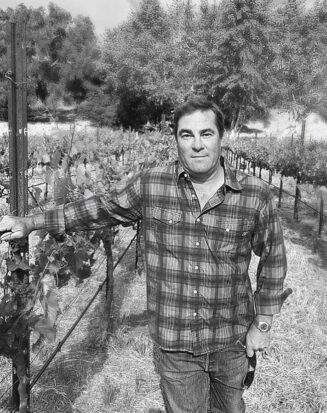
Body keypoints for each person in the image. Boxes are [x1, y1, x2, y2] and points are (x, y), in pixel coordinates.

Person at [0, 97, 290, 413]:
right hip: (174, 343)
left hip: (230, 339)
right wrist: (32, 222)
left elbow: (273, 258)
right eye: (186, 135)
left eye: (206, 134)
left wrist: (262, 324)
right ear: (176, 139)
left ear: (223, 137)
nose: (196, 145)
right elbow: (100, 208)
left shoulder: (255, 194)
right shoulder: (153, 183)